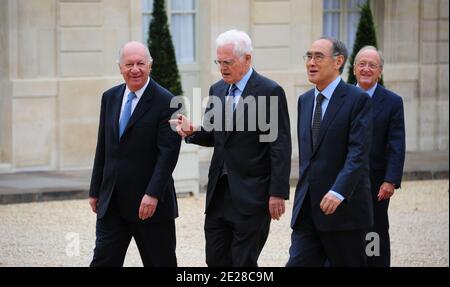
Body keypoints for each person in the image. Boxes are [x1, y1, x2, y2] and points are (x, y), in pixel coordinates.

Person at [170, 29, 292, 267]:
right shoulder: (217, 90)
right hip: (219, 195)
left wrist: (277, 192)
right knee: (215, 260)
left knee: (243, 262)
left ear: (247, 58)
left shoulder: (269, 91)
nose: (223, 68)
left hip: (252, 194)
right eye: (219, 62)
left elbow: (280, 146)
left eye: (228, 62)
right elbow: (215, 136)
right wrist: (193, 130)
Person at [88, 41, 181, 267]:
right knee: (102, 262)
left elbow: (168, 155)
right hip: (112, 203)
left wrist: (153, 194)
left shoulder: (167, 100)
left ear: (150, 65)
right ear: (120, 67)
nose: (135, 69)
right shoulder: (109, 97)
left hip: (149, 206)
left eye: (141, 63)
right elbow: (104, 147)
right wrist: (95, 189)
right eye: (129, 64)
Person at [287, 37, 374, 267]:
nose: (311, 63)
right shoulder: (304, 101)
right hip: (307, 211)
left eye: (318, 57)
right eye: (308, 56)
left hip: (344, 212)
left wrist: (338, 191)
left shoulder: (358, 100)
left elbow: (358, 154)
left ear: (338, 62)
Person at [354, 46, 406, 267]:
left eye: (372, 65)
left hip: (375, 184)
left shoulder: (393, 102)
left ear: (380, 72)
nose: (366, 69)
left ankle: (372, 264)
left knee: (373, 230)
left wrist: (390, 180)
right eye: (362, 64)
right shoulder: (342, 96)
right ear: (354, 69)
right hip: (343, 181)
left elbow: (396, 143)